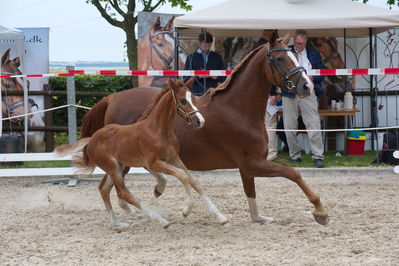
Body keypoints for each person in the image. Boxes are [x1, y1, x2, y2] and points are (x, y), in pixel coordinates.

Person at [282, 29, 326, 168]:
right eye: (296, 43)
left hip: (307, 91)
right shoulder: (286, 51)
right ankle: (295, 156)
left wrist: (313, 77)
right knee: (289, 125)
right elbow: (279, 71)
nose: (298, 46)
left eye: (301, 43)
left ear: (306, 41)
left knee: (313, 123)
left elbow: (322, 73)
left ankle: (318, 156)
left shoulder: (313, 53)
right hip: (289, 92)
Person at [253, 29, 289, 162]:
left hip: (261, 94)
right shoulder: (265, 48)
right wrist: (273, 94)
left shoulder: (257, 48)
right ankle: (270, 154)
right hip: (266, 95)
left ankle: (266, 153)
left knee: (265, 124)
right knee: (269, 124)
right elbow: (270, 73)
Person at [184, 31, 226, 96]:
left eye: (209, 46)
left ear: (211, 43)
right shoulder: (191, 58)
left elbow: (224, 77)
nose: (206, 48)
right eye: (204, 46)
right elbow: (185, 78)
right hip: (197, 95)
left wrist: (216, 77)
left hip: (213, 94)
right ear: (200, 43)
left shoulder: (217, 57)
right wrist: (198, 76)